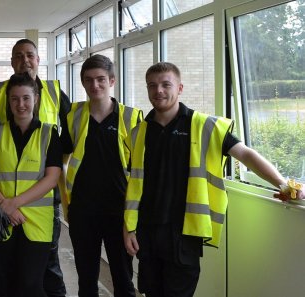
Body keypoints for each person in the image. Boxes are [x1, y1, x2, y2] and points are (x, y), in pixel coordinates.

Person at [123, 61, 304, 297]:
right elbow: (134, 185)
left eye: (166, 84)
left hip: (184, 233)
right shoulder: (139, 133)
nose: (158, 91)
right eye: (152, 85)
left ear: (180, 88)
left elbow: (246, 154)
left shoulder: (205, 126)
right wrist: (128, 228)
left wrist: (283, 184)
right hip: (147, 232)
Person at [0, 38, 70, 297]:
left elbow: (72, 134)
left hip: (42, 200)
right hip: (3, 200)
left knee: (48, 268)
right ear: (12, 62)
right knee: (4, 272)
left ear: (38, 59)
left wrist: (54, 164)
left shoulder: (55, 92)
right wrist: (3, 202)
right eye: (19, 56)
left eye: (30, 55)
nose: (25, 61)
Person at [60, 55, 140, 297]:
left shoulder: (132, 117)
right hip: (83, 212)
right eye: (89, 80)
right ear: (82, 83)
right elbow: (60, 161)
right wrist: (68, 203)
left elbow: (141, 171)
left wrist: (135, 217)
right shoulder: (74, 115)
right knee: (86, 281)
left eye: (101, 79)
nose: (95, 85)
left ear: (112, 81)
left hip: (120, 212)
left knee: (124, 280)